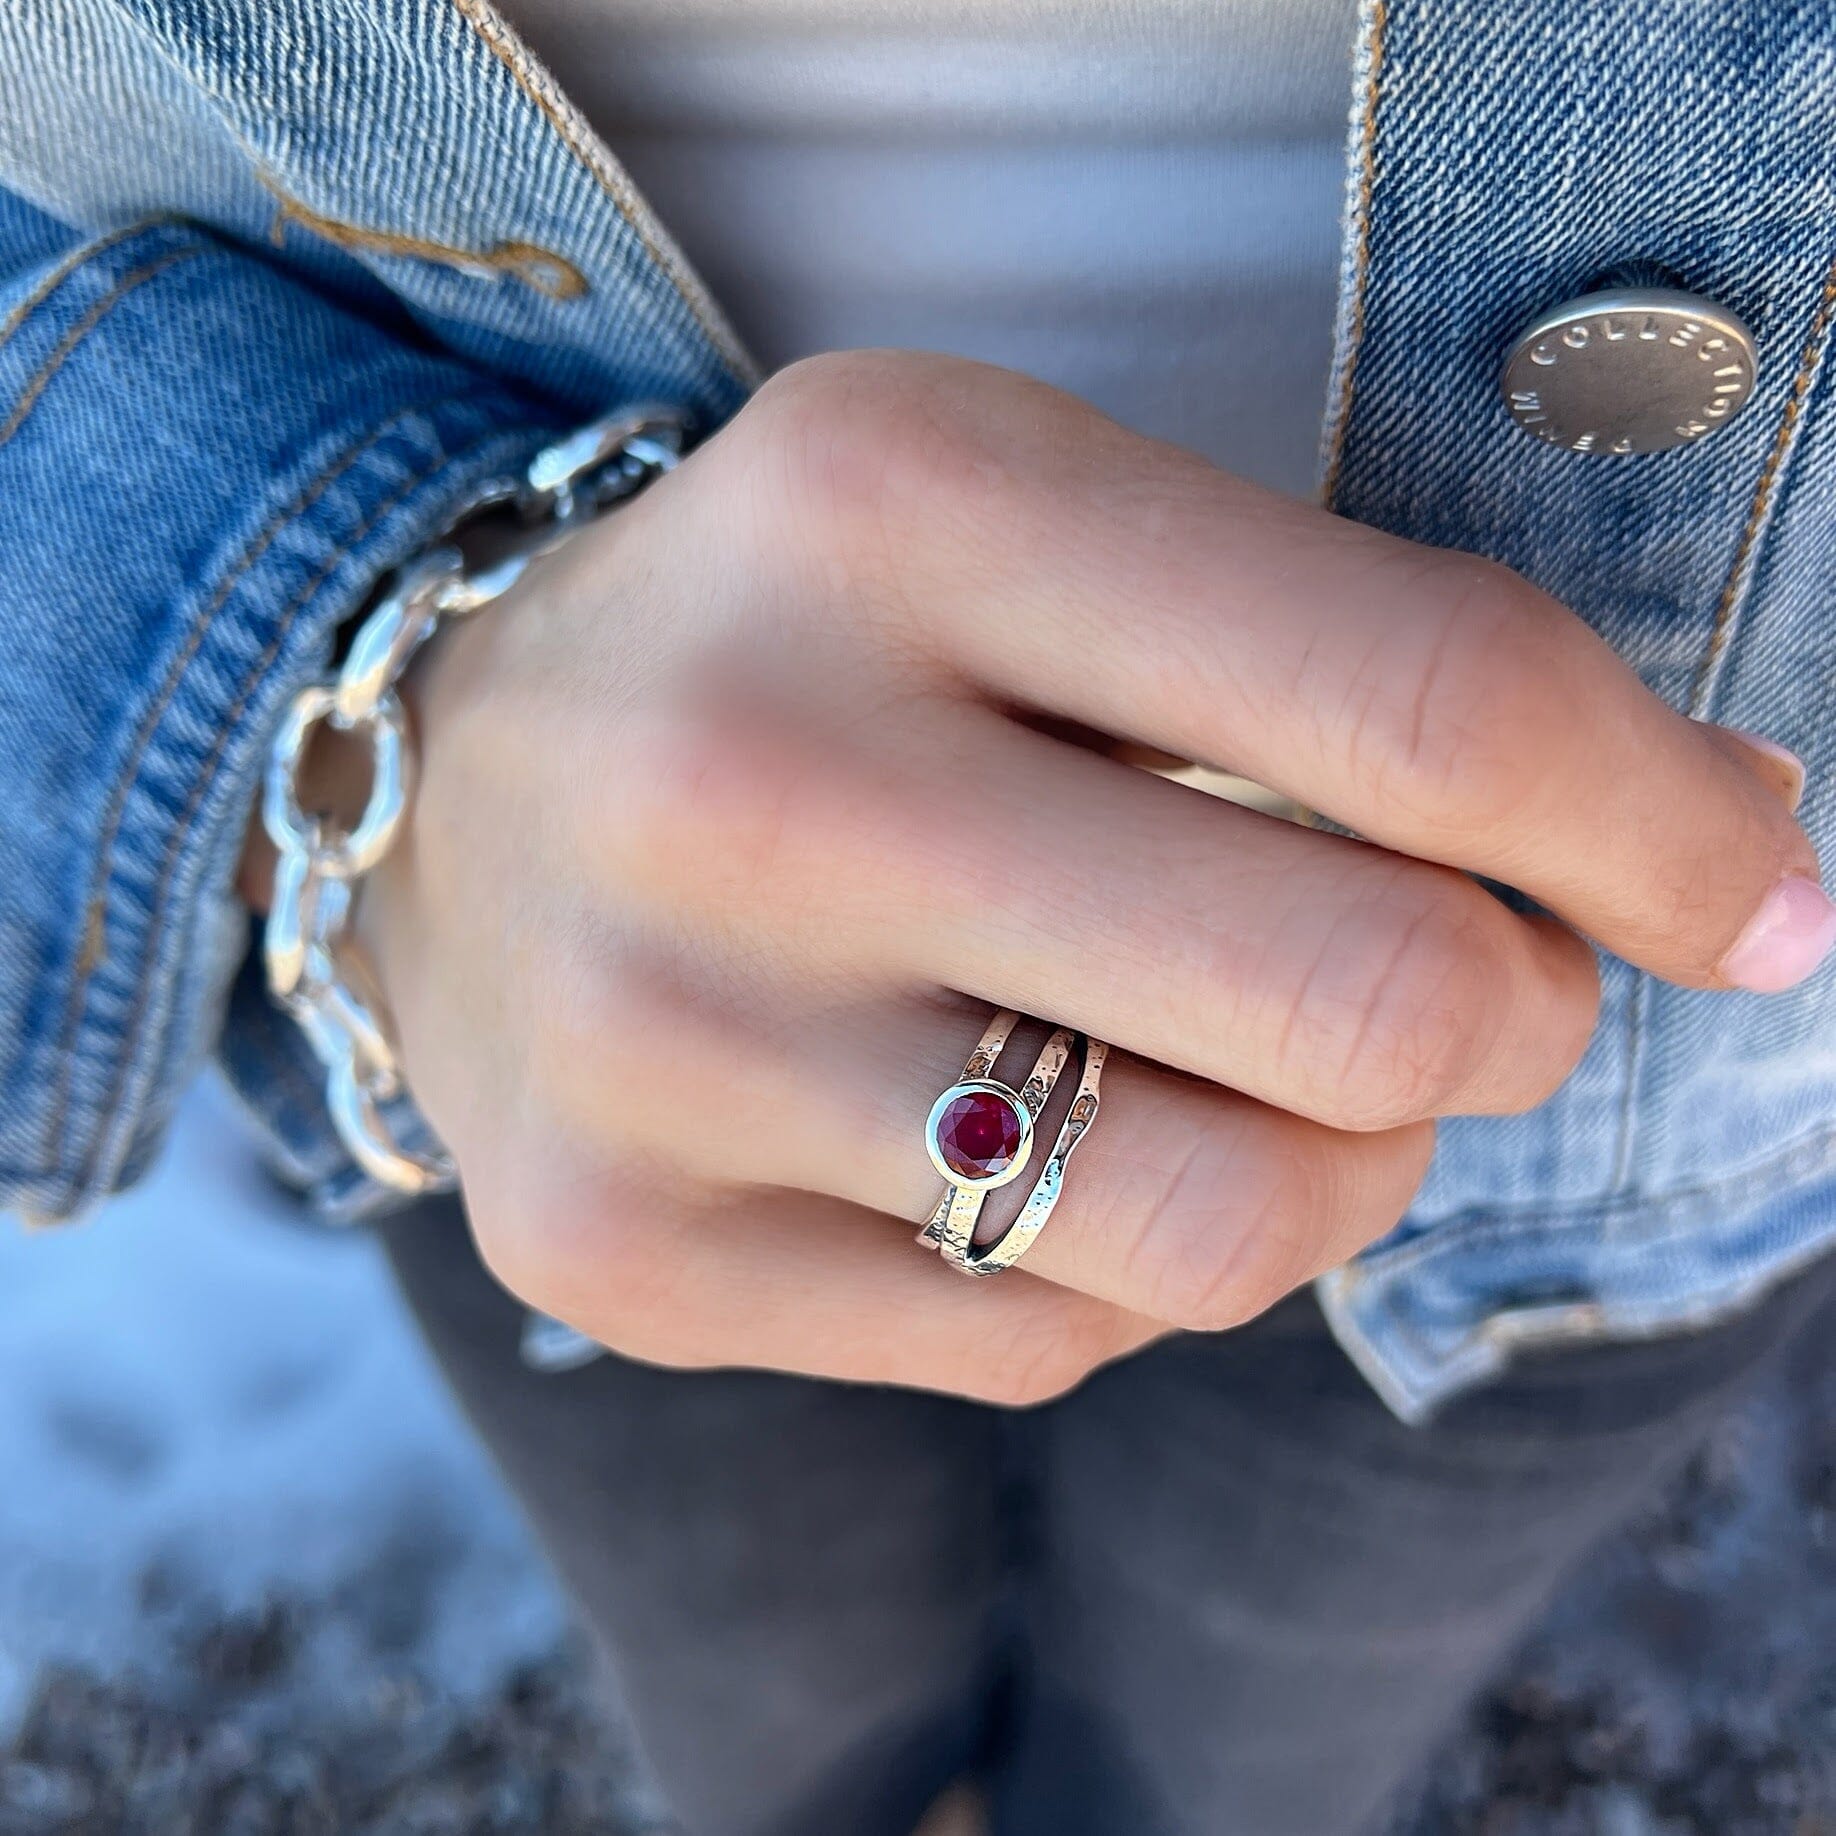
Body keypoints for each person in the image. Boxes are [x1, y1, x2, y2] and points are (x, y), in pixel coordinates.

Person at [3, 1, 1832, 1830]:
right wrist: (376, 670)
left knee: (1233, 1775)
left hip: (1617, 1171)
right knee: (776, 1740)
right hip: (570, 970)